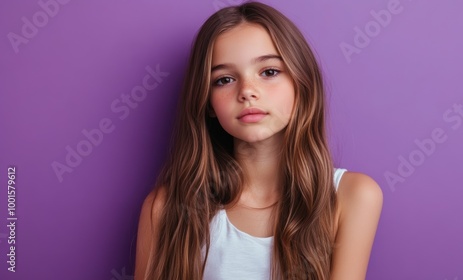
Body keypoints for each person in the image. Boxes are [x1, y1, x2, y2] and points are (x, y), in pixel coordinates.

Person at [134, 2, 383, 279]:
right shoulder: (165, 208)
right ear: (207, 103)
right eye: (225, 79)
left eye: (269, 72)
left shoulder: (352, 196)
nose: (247, 91)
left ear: (302, 83)